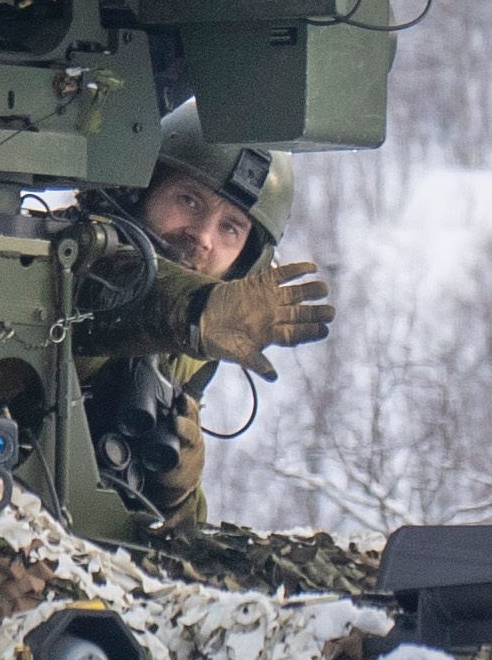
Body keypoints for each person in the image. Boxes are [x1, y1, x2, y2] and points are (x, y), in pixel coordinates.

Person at [78, 126, 336, 524]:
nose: (202, 237)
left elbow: (176, 540)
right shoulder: (63, 259)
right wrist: (199, 308)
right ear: (138, 192)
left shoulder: (191, 352)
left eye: (230, 227)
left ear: (246, 262)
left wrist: (177, 497)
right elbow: (114, 285)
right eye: (189, 200)